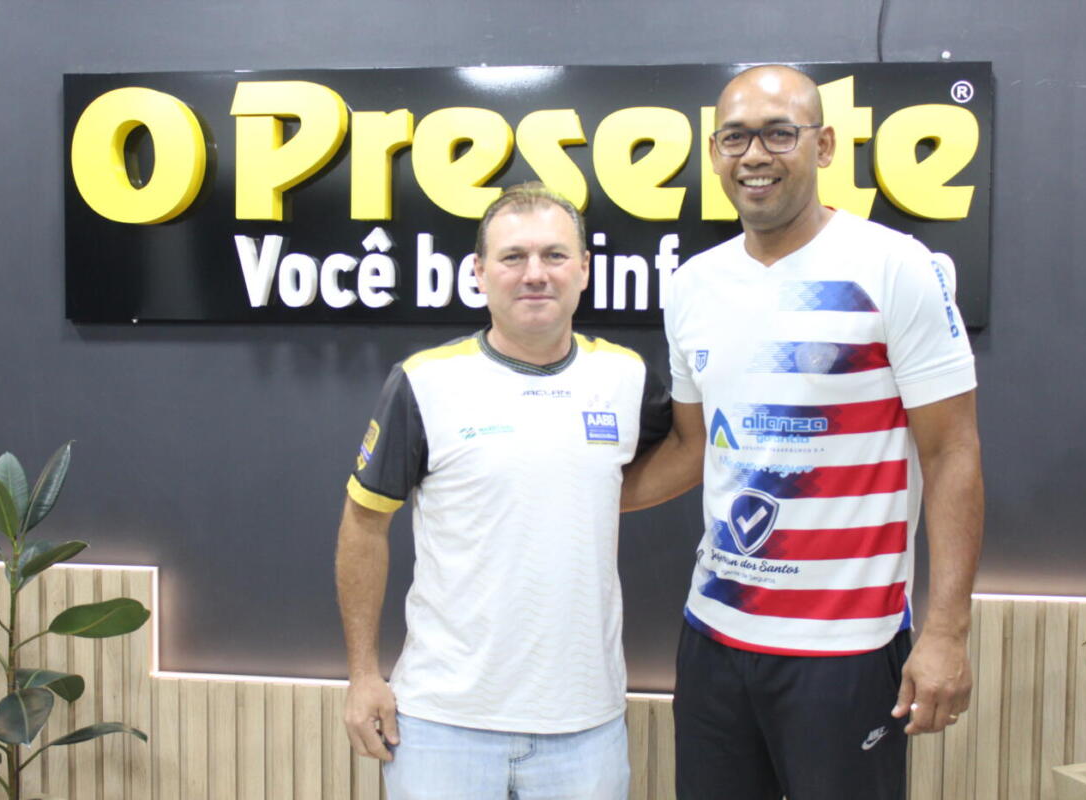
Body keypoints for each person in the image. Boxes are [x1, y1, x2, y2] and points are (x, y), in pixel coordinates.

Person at [622, 65, 984, 800]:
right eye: (734, 137)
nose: (754, 155)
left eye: (778, 134)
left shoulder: (895, 266)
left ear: (823, 147)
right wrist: (578, 493)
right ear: (714, 153)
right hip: (714, 637)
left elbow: (952, 453)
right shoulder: (692, 286)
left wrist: (947, 631)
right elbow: (694, 447)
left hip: (847, 649)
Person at [336, 182, 671, 799]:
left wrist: (597, 497)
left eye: (554, 255)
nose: (535, 273)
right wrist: (362, 675)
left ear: (584, 269)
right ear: (479, 273)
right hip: (441, 726)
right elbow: (363, 523)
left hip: (585, 728)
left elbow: (685, 452)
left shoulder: (626, 376)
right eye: (513, 257)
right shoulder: (424, 382)